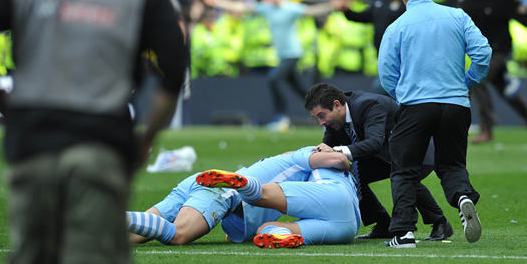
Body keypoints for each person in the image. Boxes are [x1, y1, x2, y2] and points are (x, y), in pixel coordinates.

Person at [0, 0, 187, 264]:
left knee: (31, 253)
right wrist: (147, 136)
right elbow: (174, 67)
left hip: (32, 136)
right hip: (101, 139)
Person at [378, 0, 492, 248]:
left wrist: (402, 94)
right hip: (455, 104)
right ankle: (462, 196)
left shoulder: (397, 27)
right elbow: (483, 52)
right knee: (451, 164)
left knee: (404, 169)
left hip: (415, 104)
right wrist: (467, 81)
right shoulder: (457, 16)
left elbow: (387, 73)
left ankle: (403, 233)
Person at [305, 83, 452, 241]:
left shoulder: (369, 104)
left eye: (322, 115)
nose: (321, 123)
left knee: (404, 178)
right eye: (317, 118)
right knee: (349, 175)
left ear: (337, 105)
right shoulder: (335, 119)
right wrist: (314, 154)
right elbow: (328, 146)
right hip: (389, 155)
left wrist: (336, 152)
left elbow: (374, 143)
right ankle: (383, 224)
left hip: (418, 152)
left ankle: (441, 224)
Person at [126, 146, 356, 246]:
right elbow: (336, 161)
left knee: (132, 236)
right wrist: (340, 154)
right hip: (220, 190)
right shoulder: (307, 157)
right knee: (178, 235)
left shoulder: (289, 163)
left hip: (201, 183)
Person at [203, 0, 337, 131]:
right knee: (301, 91)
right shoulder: (268, 9)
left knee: (273, 79)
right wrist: (219, 2)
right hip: (282, 56)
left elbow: (312, 11)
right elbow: (243, 7)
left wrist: (331, 5)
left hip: (293, 54)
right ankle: (326, 118)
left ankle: (282, 118)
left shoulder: (290, 8)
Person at [196, 159, 360, 248]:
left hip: (332, 195)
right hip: (348, 229)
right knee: (265, 229)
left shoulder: (318, 158)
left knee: (263, 194)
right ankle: (281, 235)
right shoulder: (346, 172)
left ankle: (244, 184)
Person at [461, 0, 527, 143]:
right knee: (506, 89)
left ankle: (486, 129)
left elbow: (522, 16)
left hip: (497, 52)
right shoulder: (467, 3)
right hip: (480, 55)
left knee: (477, 79)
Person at [335, 0, 406, 95]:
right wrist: (347, 11)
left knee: (381, 89)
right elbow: (365, 17)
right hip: (383, 56)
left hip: (401, 56)